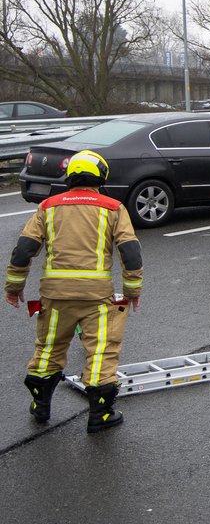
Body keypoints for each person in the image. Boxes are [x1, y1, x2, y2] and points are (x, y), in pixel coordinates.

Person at [4, 150, 142, 433]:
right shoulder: (113, 207)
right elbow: (130, 253)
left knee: (48, 350)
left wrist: (14, 287)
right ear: (100, 176)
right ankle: (100, 415)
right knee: (102, 350)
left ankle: (40, 405)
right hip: (96, 296)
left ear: (70, 177)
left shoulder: (48, 207)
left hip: (55, 295)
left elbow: (23, 251)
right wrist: (131, 291)